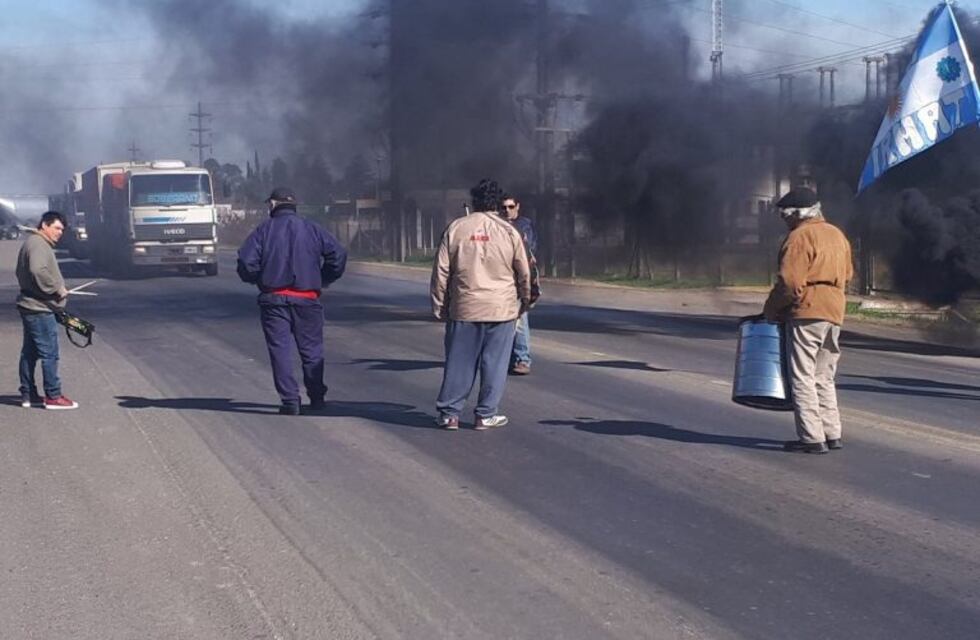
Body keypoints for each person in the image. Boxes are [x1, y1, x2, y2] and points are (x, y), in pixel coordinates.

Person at [431, 179, 532, 430]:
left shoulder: (456, 229)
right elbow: (525, 270)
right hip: (501, 309)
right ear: (498, 203)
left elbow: (440, 272)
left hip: (464, 307)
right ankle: (486, 414)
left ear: (474, 201)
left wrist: (440, 305)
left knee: (459, 362)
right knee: (495, 364)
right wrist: (525, 300)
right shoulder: (510, 231)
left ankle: (449, 414)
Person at [237, 187, 348, 415]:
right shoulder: (312, 229)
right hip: (307, 299)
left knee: (280, 350)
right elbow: (338, 255)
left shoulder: (263, 231)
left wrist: (258, 278)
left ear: (273, 205)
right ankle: (316, 398)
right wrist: (324, 277)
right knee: (311, 350)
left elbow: (247, 263)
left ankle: (290, 400)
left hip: (274, 299)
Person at [763, 187, 854, 454]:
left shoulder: (799, 236)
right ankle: (831, 432)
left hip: (807, 309)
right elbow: (848, 274)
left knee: (802, 375)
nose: (785, 220)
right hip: (835, 308)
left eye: (785, 215)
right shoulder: (837, 234)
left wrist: (771, 310)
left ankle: (812, 438)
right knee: (823, 375)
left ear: (798, 214)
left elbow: (790, 283)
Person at [16, 211, 78, 410]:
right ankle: (53, 395)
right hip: (39, 308)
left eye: (62, 229)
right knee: (50, 353)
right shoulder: (39, 244)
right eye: (57, 228)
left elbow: (23, 272)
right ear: (44, 225)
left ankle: (28, 394)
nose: (60, 232)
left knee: (30, 352)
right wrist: (56, 288)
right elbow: (37, 270)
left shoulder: (33, 243)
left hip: (30, 305)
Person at [501, 195, 539, 375]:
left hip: (518, 278)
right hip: (500, 278)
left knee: (520, 319)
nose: (507, 210)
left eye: (510, 206)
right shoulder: (497, 225)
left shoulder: (523, 226)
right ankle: (506, 358)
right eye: (504, 207)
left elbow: (527, 251)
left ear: (517, 206)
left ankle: (522, 359)